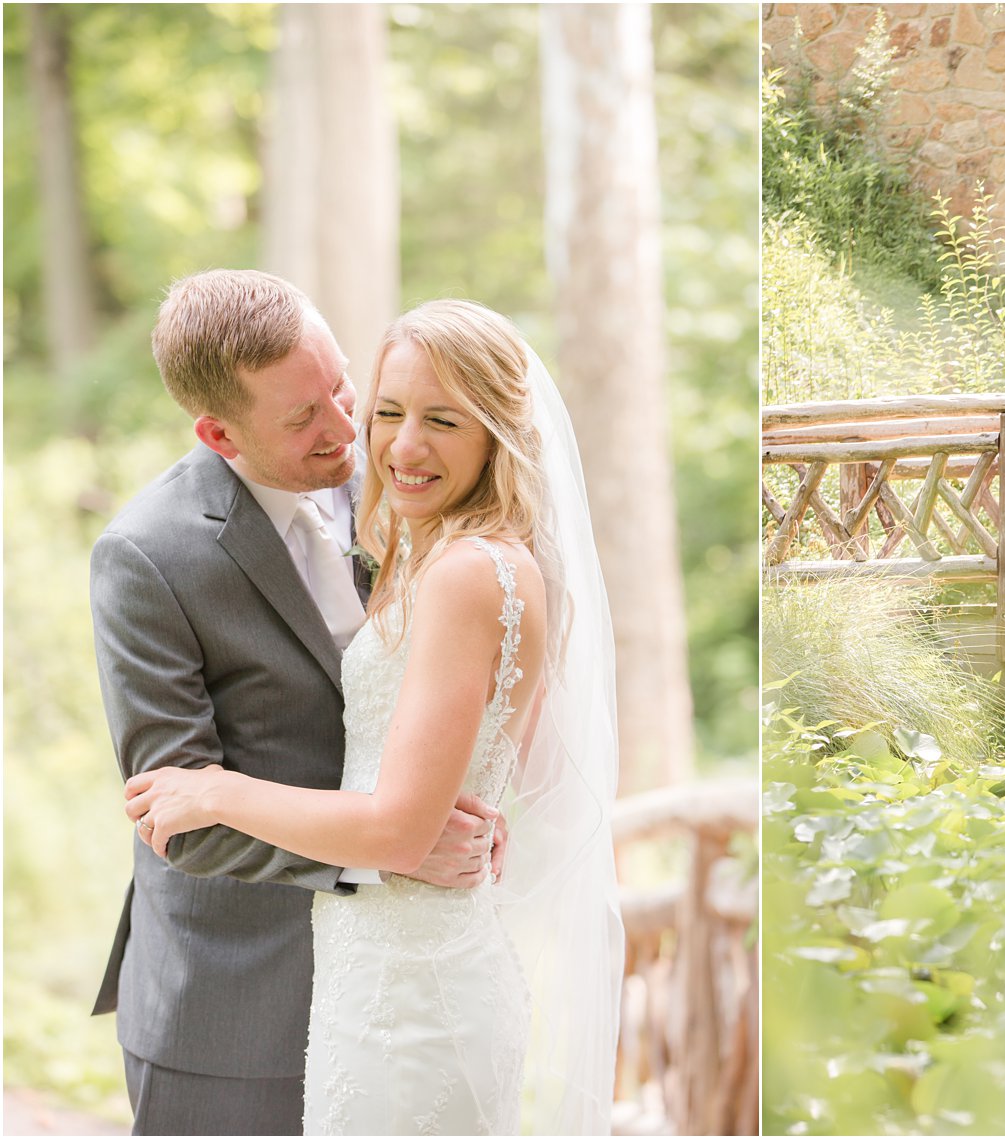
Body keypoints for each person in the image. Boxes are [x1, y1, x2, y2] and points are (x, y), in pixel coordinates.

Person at [123, 299, 624, 1135]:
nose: (391, 443)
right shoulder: (420, 532)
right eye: (388, 411)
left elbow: (403, 824)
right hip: (359, 967)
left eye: (442, 418)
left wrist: (213, 791)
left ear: (500, 431)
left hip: (414, 985)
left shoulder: (464, 566)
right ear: (223, 434)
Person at [90, 271, 503, 1136]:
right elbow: (183, 817)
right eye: (302, 417)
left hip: (392, 990)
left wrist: (480, 803)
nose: (346, 426)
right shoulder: (146, 556)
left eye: (341, 385)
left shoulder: (399, 477)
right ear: (218, 432)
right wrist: (388, 850)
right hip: (232, 1007)